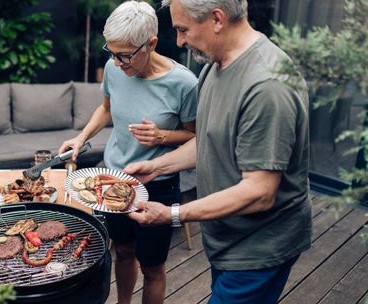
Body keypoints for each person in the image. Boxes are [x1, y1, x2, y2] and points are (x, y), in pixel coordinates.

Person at [125, 0, 312, 303]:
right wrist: (158, 167)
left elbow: (259, 191)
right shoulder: (213, 65)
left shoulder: (268, 86)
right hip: (225, 238)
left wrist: (173, 214)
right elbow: (211, 141)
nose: (180, 41)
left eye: (183, 29)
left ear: (216, 19)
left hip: (258, 248)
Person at [58, 1, 198, 303]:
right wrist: (81, 138)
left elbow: (196, 136)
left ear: (151, 44)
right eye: (112, 53)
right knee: (122, 251)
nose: (118, 63)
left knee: (152, 267)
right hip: (112, 180)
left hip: (157, 186)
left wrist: (163, 135)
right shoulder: (114, 67)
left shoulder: (185, 84)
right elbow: (106, 108)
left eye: (125, 55)